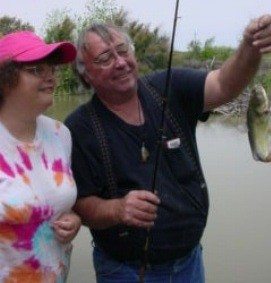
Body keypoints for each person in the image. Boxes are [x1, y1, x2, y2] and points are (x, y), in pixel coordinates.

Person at [65, 15, 271, 283]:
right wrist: (118, 209)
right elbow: (80, 205)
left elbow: (223, 84)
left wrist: (250, 45)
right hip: (125, 271)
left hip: (190, 262)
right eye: (104, 58)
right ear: (85, 74)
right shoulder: (78, 128)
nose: (120, 62)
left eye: (123, 50)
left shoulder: (168, 87)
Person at [0, 31, 81, 282]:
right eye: (37, 69)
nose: (50, 77)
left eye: (52, 69)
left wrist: (74, 220)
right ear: (5, 80)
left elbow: (59, 204)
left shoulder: (60, 134)